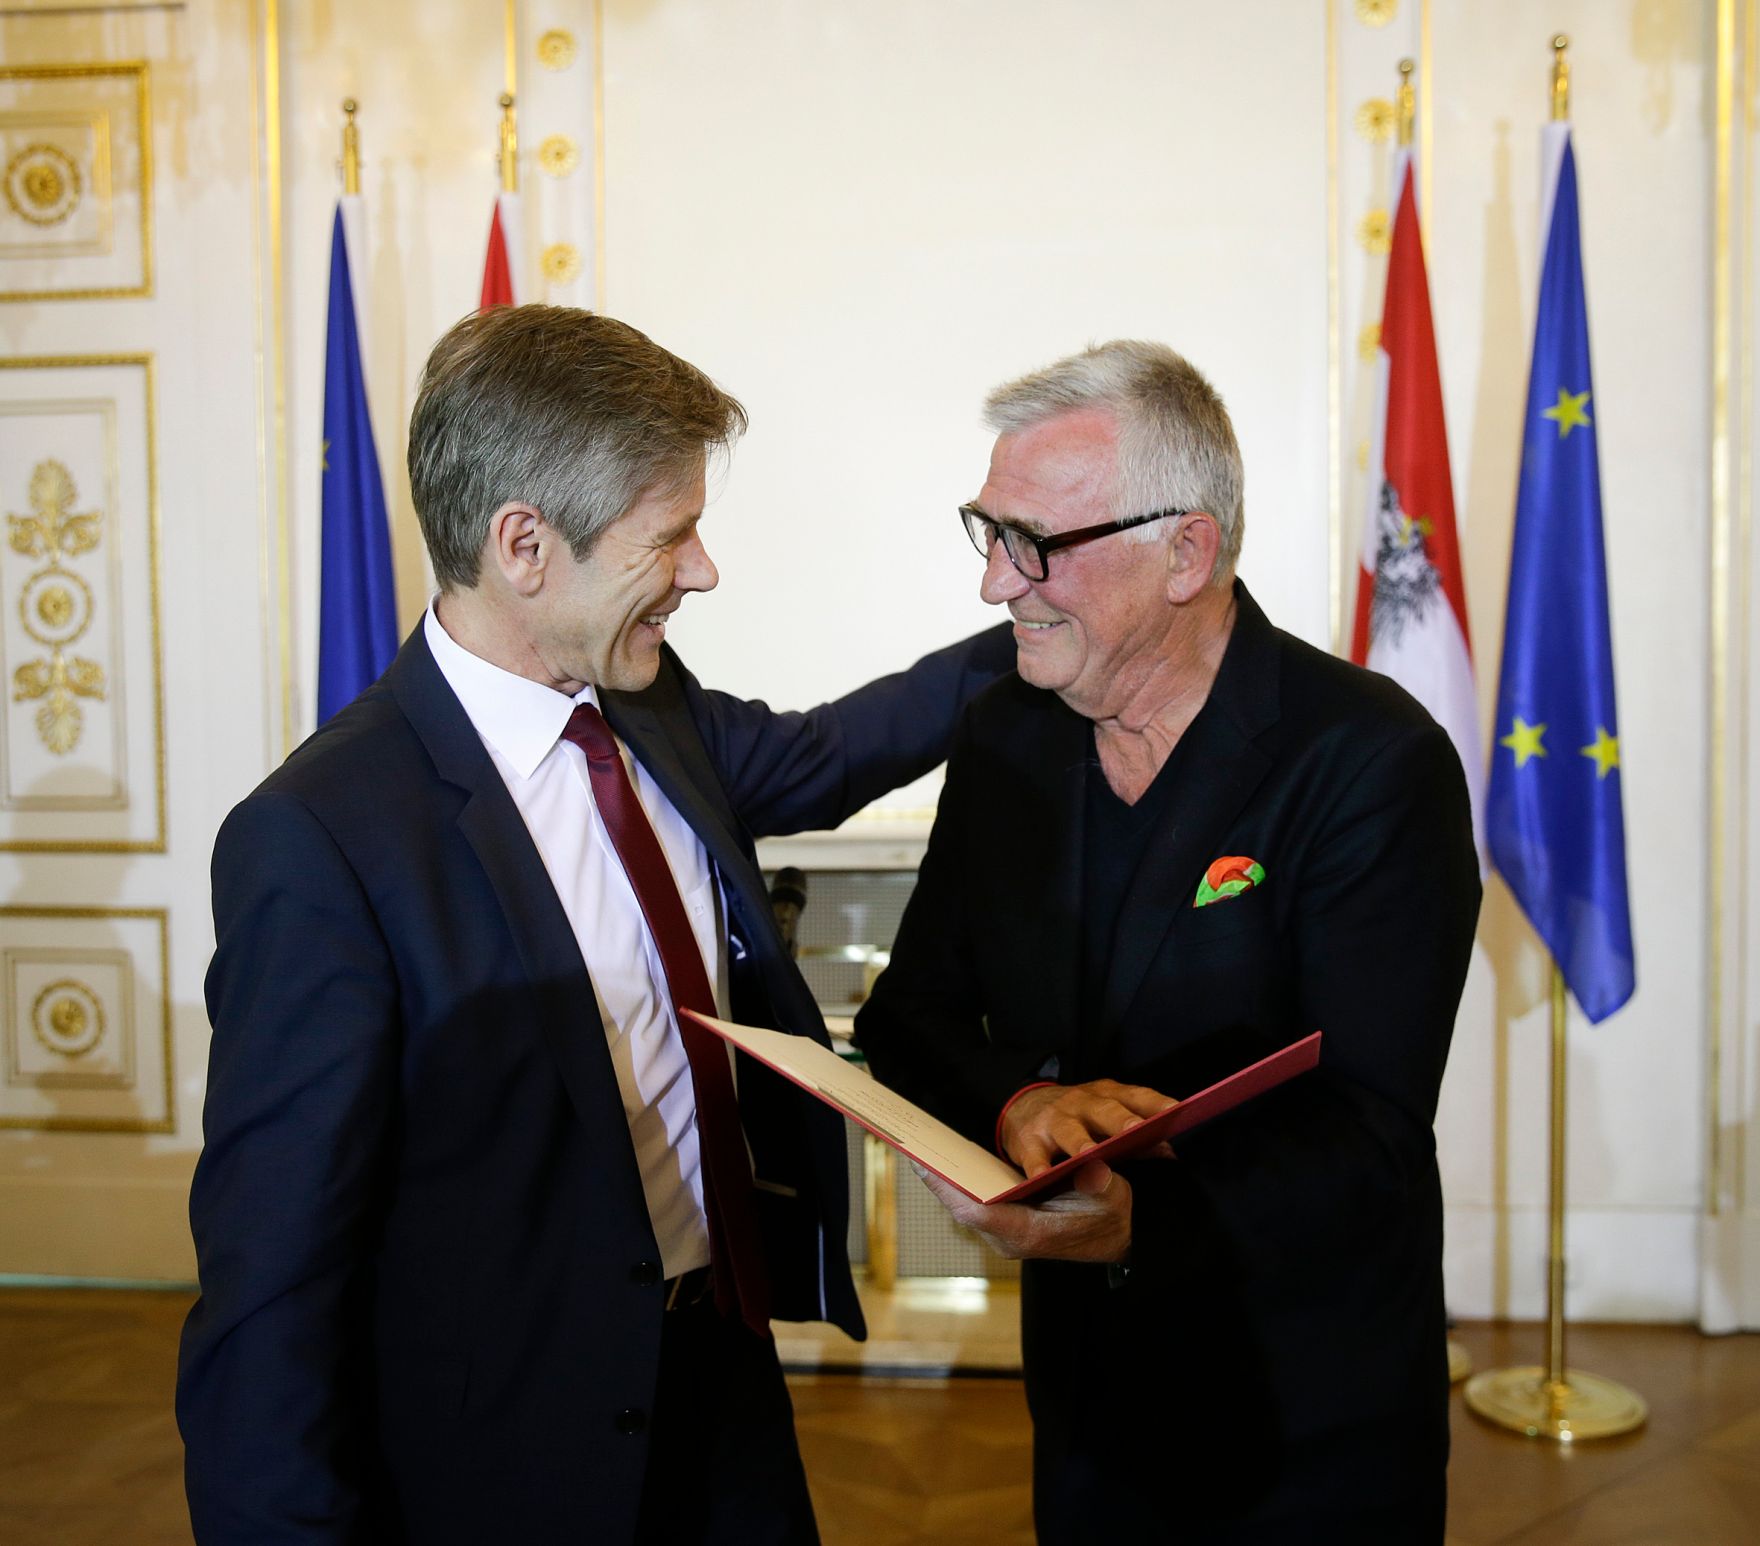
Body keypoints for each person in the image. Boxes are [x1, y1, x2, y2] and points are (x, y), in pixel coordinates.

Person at [175, 304, 1011, 1545]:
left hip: (720, 1383)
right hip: (511, 1455)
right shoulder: (324, 839)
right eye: (669, 534)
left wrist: (1052, 616)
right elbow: (273, 1285)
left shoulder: (648, 700)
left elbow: (832, 748)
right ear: (524, 545)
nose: (702, 568)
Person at [856, 341, 1481, 1543]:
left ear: (1184, 551)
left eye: (1033, 543)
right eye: (986, 532)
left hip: (1302, 1404)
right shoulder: (1006, 738)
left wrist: (1142, 1218)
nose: (995, 583)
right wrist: (1015, 1107)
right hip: (1086, 1398)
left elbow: (1368, 1133)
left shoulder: (1365, 760)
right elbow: (907, 1017)